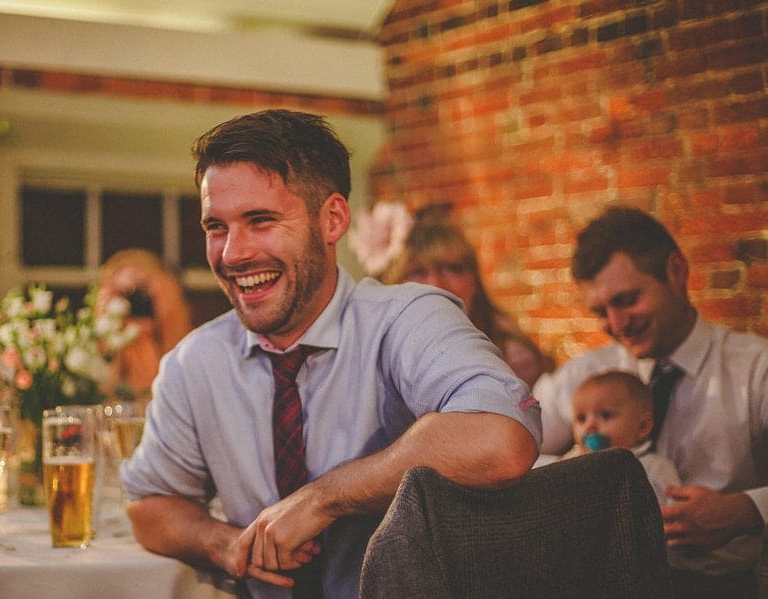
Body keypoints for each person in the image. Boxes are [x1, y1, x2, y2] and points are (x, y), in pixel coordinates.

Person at [121, 109, 542, 598]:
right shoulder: (193, 363)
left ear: (333, 219)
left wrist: (323, 499)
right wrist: (225, 543)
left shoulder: (407, 317)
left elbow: (502, 438)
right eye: (217, 227)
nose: (233, 254)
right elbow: (150, 504)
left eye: (261, 221)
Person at [534, 205, 767, 597]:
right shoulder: (588, 376)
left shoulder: (755, 368)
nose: (616, 324)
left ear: (676, 271)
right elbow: (513, 452)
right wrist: (569, 471)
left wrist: (746, 509)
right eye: (600, 311)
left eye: (627, 300)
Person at [378, 213, 553, 387]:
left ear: (474, 281)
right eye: (418, 272)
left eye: (452, 269)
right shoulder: (381, 352)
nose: (435, 285)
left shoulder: (512, 357)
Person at [561, 370, 681, 506]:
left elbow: (677, 512)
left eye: (605, 415)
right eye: (581, 418)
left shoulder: (654, 468)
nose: (590, 426)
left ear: (642, 427)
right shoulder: (570, 463)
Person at [97, 248, 193, 409]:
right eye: (127, 294)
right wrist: (107, 327)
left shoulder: (193, 353)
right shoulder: (86, 356)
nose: (136, 303)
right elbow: (103, 392)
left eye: (142, 293)